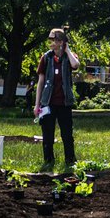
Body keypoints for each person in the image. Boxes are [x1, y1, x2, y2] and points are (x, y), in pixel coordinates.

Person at [34, 28, 80, 171]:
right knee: (47, 135)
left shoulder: (69, 56)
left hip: (64, 103)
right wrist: (37, 105)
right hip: (47, 103)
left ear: (61, 42)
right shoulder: (46, 58)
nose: (50, 43)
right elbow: (40, 82)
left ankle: (70, 161)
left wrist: (67, 50)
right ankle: (48, 161)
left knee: (67, 134)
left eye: (53, 40)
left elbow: (76, 65)